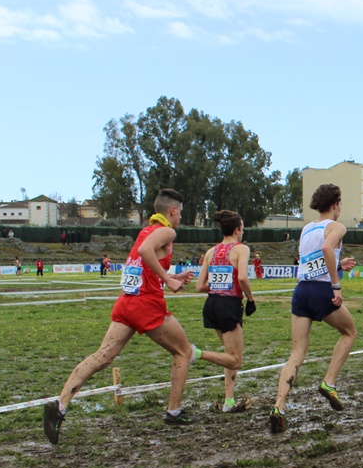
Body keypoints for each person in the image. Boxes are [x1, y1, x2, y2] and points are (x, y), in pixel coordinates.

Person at [43, 188, 197, 444]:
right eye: (180, 212)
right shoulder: (167, 230)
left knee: (102, 357)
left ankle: (60, 406)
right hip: (146, 305)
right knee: (183, 351)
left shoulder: (146, 230)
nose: (180, 217)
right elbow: (147, 252)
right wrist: (167, 278)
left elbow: (144, 260)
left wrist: (172, 276)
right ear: (172, 211)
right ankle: (174, 411)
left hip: (127, 302)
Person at [269, 184, 357, 434]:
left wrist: (339, 264)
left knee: (296, 353)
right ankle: (329, 382)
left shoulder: (307, 228)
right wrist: (336, 286)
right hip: (321, 291)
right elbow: (326, 248)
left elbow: (312, 261)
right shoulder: (337, 226)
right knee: (349, 333)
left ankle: (279, 406)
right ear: (336, 204)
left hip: (301, 291)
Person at [195, 210, 257, 413]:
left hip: (212, 304)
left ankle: (228, 401)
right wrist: (251, 298)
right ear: (238, 230)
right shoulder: (241, 249)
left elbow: (200, 286)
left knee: (229, 356)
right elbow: (242, 279)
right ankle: (195, 353)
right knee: (236, 360)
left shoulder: (211, 252)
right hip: (228, 305)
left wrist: (219, 287)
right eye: (243, 228)